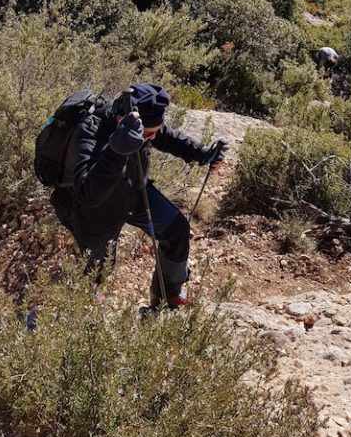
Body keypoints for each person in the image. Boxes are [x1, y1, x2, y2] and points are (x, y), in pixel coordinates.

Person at [51, 82, 229, 310]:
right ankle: (82, 316)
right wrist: (116, 150)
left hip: (133, 193)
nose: (151, 139)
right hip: (94, 212)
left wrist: (200, 153)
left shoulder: (145, 128)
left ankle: (168, 296)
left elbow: (162, 135)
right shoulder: (91, 131)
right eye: (147, 135)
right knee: (96, 269)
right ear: (123, 119)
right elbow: (87, 193)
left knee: (176, 230)